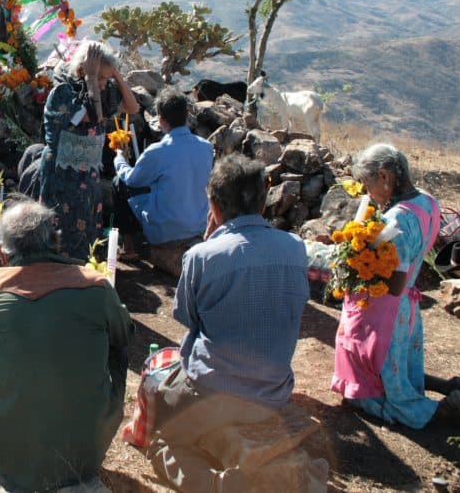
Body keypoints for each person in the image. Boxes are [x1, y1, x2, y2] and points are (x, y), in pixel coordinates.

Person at [147, 154, 325, 491]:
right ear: (263, 201)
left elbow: (186, 316)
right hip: (272, 393)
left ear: (213, 206)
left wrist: (208, 239)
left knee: (162, 442)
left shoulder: (202, 256)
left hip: (212, 391)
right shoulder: (294, 247)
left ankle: (219, 486)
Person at [0, 199, 133, 492]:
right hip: (88, 450)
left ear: (2, 254)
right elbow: (124, 335)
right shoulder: (96, 286)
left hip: (7, 455)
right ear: (56, 243)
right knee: (115, 342)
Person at [331, 143, 460, 430]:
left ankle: (444, 411)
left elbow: (394, 282)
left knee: (373, 389)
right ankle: (452, 386)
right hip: (406, 307)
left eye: (367, 183)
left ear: (385, 176)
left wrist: (356, 263)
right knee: (397, 367)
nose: (366, 192)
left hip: (383, 311)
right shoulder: (427, 201)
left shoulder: (397, 219)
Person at [39, 40, 139, 259]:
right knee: (60, 224)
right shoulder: (63, 93)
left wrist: (117, 76)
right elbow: (93, 115)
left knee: (87, 226)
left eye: (107, 78)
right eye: (102, 77)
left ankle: (82, 271)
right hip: (62, 172)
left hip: (88, 174)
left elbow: (132, 107)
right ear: (82, 70)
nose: (105, 83)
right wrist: (92, 78)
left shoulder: (103, 92)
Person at [113, 88, 213, 256]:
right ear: (187, 114)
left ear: (161, 120)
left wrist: (119, 158)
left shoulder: (157, 151)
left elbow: (132, 180)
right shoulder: (206, 147)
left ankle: (129, 247)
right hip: (199, 226)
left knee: (119, 182)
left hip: (167, 232)